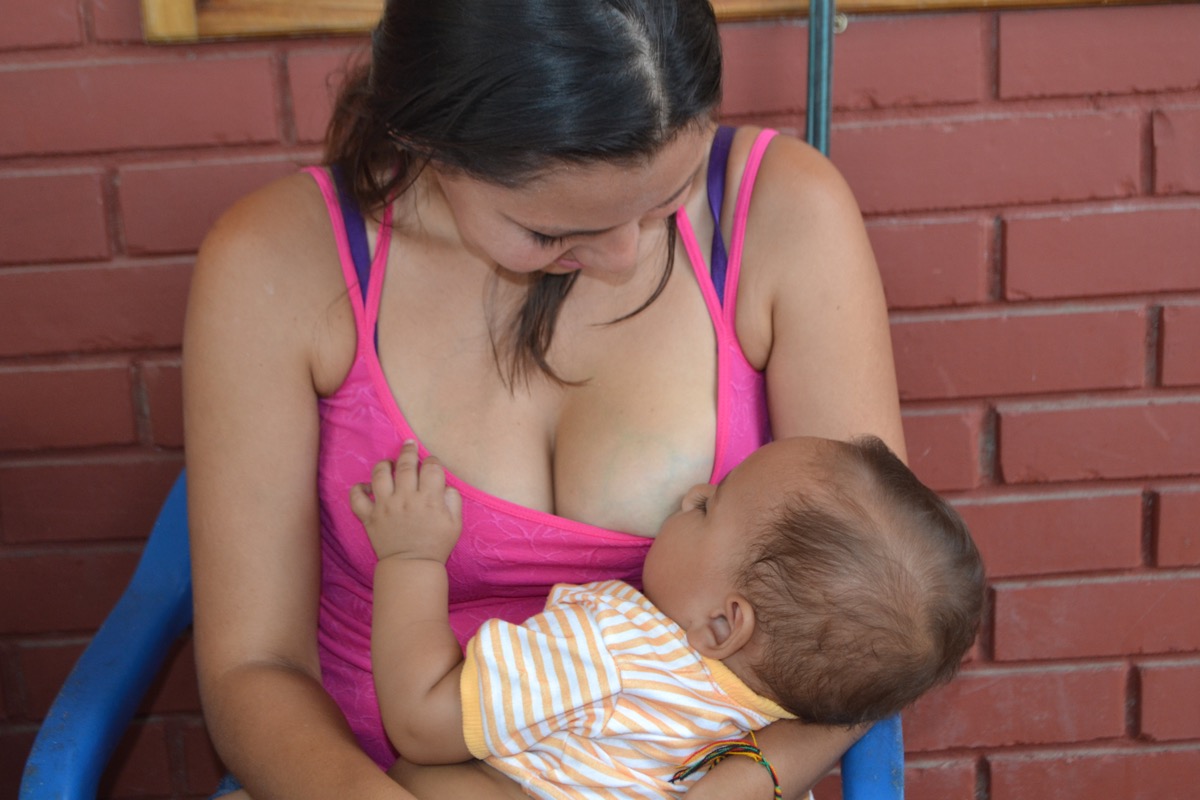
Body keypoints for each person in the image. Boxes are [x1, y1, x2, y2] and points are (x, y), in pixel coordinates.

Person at [183, 0, 908, 797]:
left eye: (665, 205)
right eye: (550, 231)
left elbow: (877, 627)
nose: (625, 257)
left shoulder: (782, 212)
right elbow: (256, 667)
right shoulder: (277, 264)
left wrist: (723, 791)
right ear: (428, 141)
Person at [352, 436, 984, 799]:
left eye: (711, 508)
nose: (692, 494)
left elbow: (421, 720)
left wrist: (410, 556)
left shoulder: (615, 646)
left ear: (722, 625)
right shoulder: (773, 727)